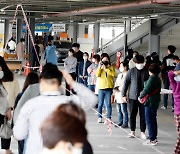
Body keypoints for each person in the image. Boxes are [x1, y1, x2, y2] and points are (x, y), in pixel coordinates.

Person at [13, 63, 97, 154]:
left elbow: (19, 134)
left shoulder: (30, 105)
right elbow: (92, 99)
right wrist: (72, 82)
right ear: (60, 84)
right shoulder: (70, 102)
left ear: (42, 82)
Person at [122, 55, 149, 139]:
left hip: (144, 97)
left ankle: (142, 132)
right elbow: (126, 83)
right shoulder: (131, 71)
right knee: (132, 115)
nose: (139, 64)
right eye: (137, 63)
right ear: (135, 63)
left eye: (140, 63)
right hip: (132, 96)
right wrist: (123, 94)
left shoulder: (146, 71)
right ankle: (132, 131)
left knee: (143, 115)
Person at [13, 72, 39, 154]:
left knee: (22, 149)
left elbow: (16, 111)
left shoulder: (21, 95)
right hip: (35, 129)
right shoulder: (40, 96)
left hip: (22, 127)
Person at [0, 56, 20, 154]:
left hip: (5, 108)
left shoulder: (8, 76)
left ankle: (7, 150)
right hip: (7, 109)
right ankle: (7, 150)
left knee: (5, 129)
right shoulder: (11, 76)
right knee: (5, 130)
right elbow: (17, 94)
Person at [138, 63, 161, 145]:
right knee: (153, 120)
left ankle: (152, 139)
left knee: (149, 120)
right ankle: (154, 137)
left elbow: (146, 89)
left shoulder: (152, 79)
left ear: (150, 71)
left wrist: (140, 96)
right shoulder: (157, 78)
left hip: (150, 101)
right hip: (155, 101)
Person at [96, 53, 115, 123]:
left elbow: (113, 74)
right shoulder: (100, 67)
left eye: (106, 59)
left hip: (109, 88)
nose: (105, 61)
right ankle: (99, 117)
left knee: (108, 104)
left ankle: (109, 117)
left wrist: (106, 69)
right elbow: (97, 75)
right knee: (100, 103)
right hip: (101, 87)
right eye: (104, 60)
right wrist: (100, 68)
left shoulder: (111, 67)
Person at [168, 69, 180, 154]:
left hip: (178, 113)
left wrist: (175, 73)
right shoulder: (176, 86)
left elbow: (170, 74)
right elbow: (170, 74)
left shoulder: (175, 85)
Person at [114, 61, 129, 128]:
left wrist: (119, 88)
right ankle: (120, 121)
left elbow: (126, 85)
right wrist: (116, 88)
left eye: (121, 66)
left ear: (125, 67)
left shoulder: (128, 74)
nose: (120, 67)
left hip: (123, 93)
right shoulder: (120, 75)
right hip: (117, 93)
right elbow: (116, 83)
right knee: (119, 109)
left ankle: (125, 123)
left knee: (124, 110)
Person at [161, 45, 176, 110]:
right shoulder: (176, 58)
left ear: (169, 50)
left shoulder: (165, 58)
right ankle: (173, 106)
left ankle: (165, 105)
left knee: (166, 90)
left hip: (166, 76)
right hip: (174, 75)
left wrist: (162, 73)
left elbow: (163, 67)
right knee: (173, 90)